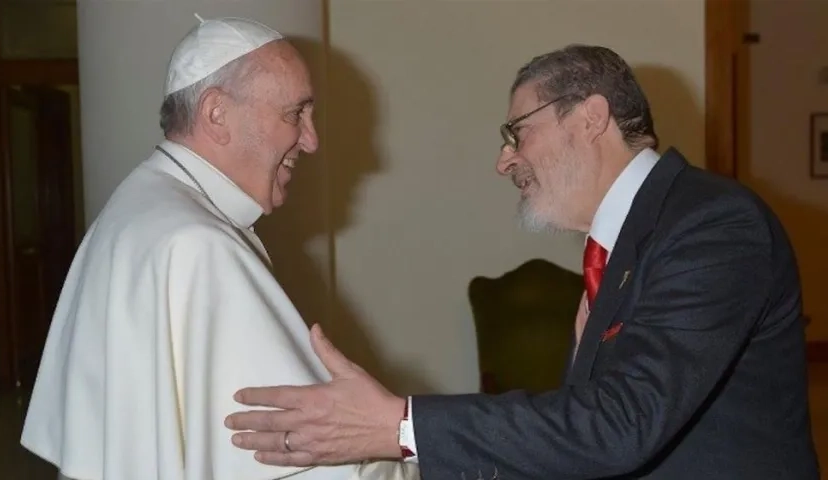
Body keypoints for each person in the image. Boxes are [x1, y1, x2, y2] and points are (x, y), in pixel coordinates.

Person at [224, 45, 821, 479]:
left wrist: (400, 427)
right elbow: (586, 435)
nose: (503, 161)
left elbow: (622, 425)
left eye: (516, 132)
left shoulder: (712, 223)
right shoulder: (629, 243)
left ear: (589, 117)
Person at [19, 15, 416, 480]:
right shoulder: (197, 244)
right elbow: (312, 460)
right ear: (216, 114)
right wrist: (412, 453)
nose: (311, 140)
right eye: (295, 114)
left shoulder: (138, 203)